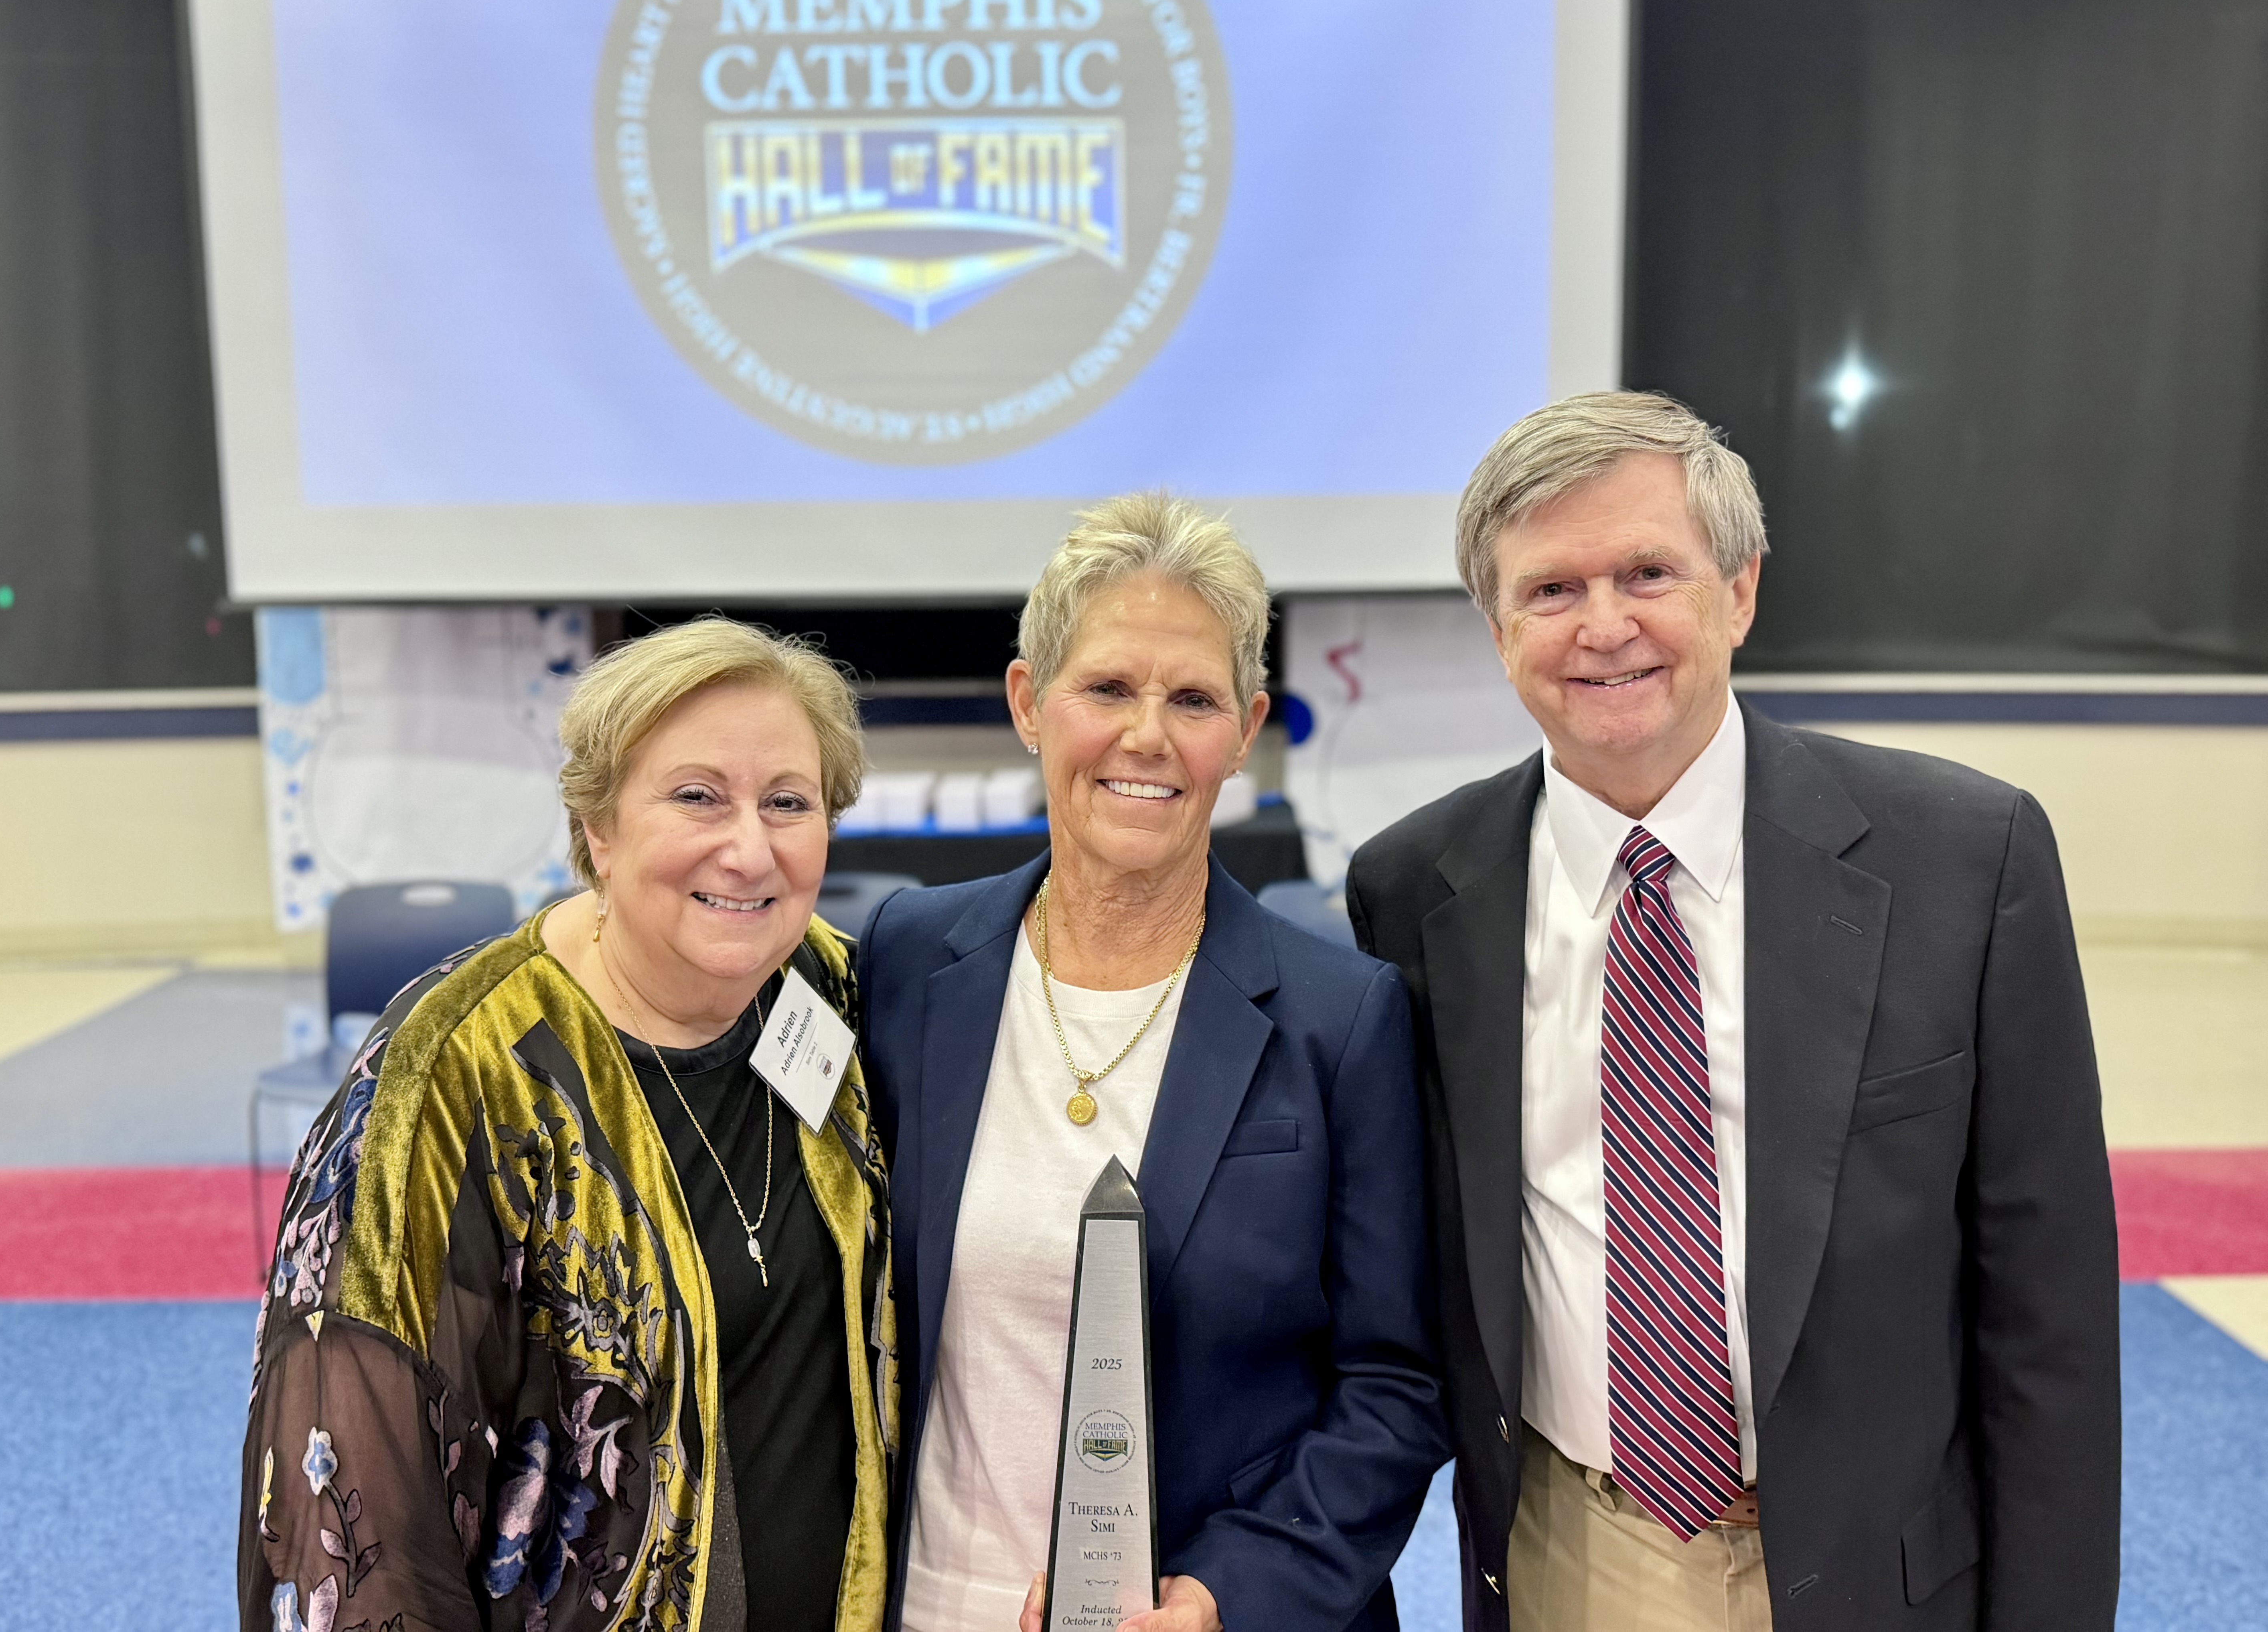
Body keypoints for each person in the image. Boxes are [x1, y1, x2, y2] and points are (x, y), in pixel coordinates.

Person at [1348, 392, 2120, 1632]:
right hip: (1571, 1555)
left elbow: (2052, 1316)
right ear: (1498, 628)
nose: (1605, 625)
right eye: (1551, 589)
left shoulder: (1966, 860)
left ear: (1741, 590)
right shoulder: (1414, 892)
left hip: (1884, 1574)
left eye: (1649, 572)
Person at [857, 493, 1450, 1632]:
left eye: (1193, 700)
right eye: (1107, 689)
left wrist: (1228, 1594)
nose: (1147, 737)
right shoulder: (909, 961)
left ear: (1247, 727)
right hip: (931, 1602)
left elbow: (1393, 1387)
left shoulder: (1341, 1017)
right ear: (1028, 703)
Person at [239, 619, 899, 1632]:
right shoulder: (452, 1079)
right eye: (696, 797)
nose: (750, 848)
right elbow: (355, 1515)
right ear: (599, 828)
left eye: (788, 802)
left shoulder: (835, 992)